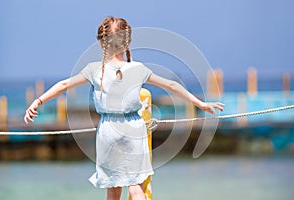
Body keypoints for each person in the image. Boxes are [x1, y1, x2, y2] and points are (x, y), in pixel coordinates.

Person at [24, 16, 224, 200]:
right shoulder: (138, 69)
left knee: (113, 190)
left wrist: (38, 101)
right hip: (134, 129)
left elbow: (63, 85)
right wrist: (200, 103)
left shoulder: (93, 69)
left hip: (108, 131)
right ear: (127, 42)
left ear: (102, 42)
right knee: (136, 188)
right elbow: (171, 85)